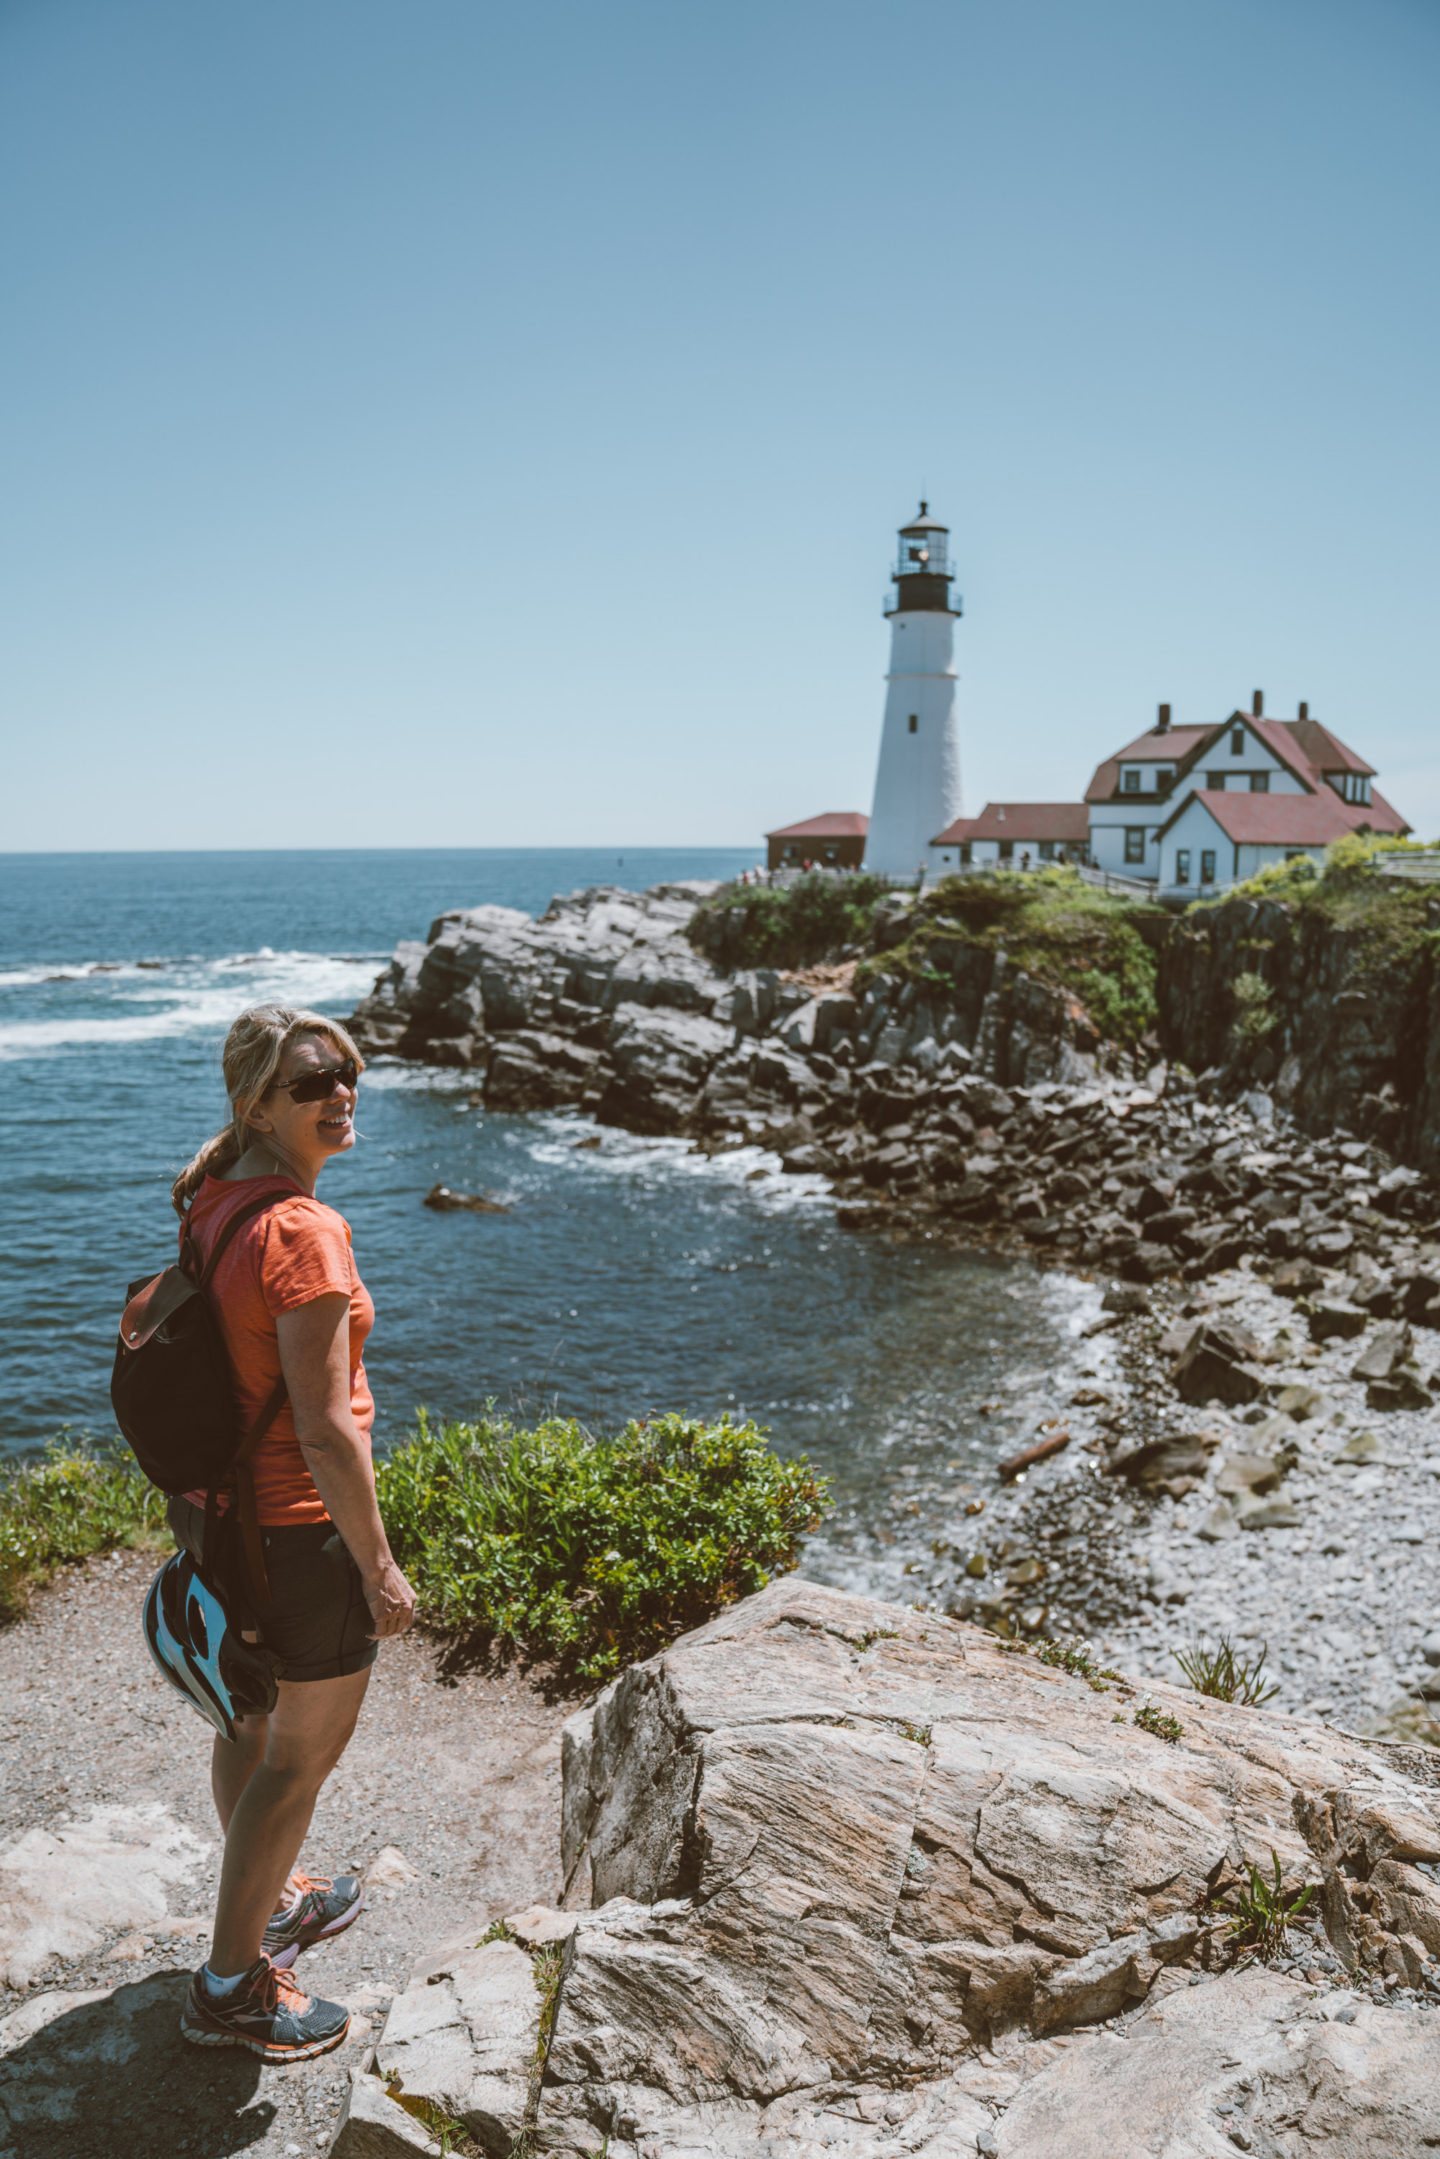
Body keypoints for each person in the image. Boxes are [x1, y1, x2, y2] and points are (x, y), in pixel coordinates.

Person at [167, 1004, 416, 2061]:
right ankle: (229, 1985)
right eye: (311, 1081)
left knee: (250, 1728)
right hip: (301, 1533)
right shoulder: (304, 1229)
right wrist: (379, 1563)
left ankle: (271, 1899)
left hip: (227, 1525)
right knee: (295, 1766)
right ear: (256, 1101)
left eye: (348, 1072)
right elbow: (323, 1427)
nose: (340, 1092)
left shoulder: (215, 1199)